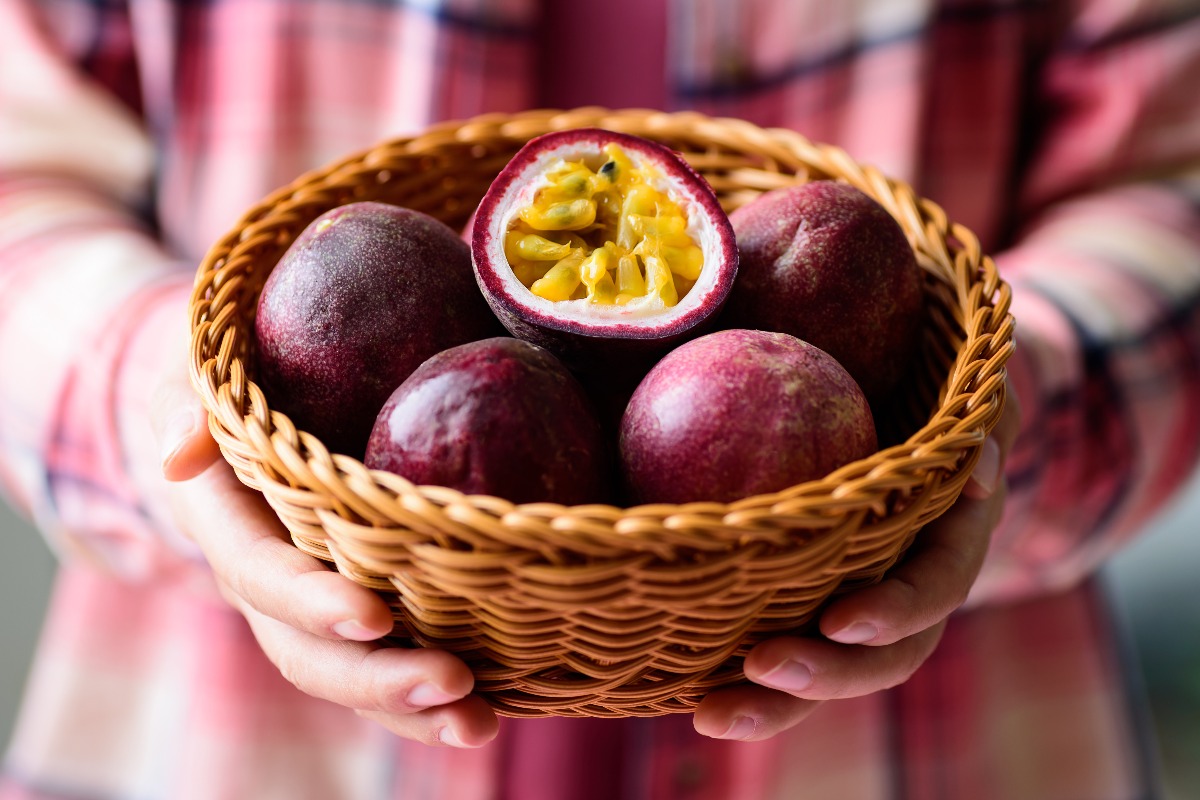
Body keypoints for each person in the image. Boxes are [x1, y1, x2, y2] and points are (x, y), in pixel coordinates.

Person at [1, 0, 1197, 798]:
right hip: (241, 729)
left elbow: (1174, 187)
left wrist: (995, 422)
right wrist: (170, 403)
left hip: (923, 729)